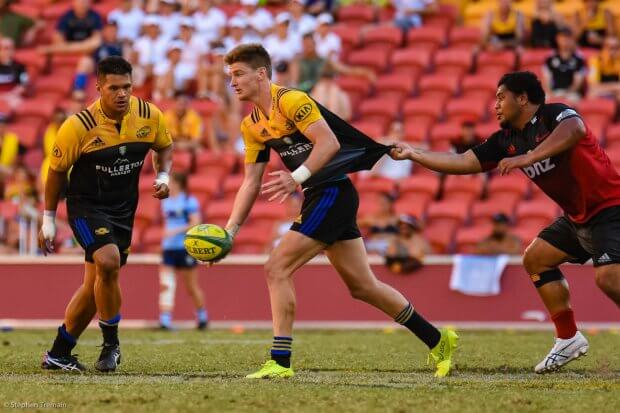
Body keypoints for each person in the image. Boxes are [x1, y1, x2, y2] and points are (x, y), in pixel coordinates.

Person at [217, 44, 457, 379]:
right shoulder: (252, 125)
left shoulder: (291, 100)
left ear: (261, 74)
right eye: (230, 76)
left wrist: (296, 177)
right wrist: (230, 230)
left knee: (276, 268)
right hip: (322, 194)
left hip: (332, 192)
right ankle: (438, 339)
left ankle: (280, 362)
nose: (233, 82)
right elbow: (251, 182)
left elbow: (328, 143)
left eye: (239, 74)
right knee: (363, 286)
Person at [389, 71, 620, 374]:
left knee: (607, 278)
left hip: (610, 207)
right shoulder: (506, 140)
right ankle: (568, 338)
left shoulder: (553, 115)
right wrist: (414, 155)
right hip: (578, 219)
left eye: (501, 97)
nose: (494, 105)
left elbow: (575, 129)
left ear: (522, 98)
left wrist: (529, 157)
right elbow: (463, 162)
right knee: (536, 258)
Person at [38, 56, 173, 373]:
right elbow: (56, 173)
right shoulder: (78, 127)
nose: (122, 94)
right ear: (98, 87)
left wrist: (164, 177)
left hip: (123, 209)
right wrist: (47, 219)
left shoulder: (149, 115)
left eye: (127, 86)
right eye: (114, 88)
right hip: (86, 206)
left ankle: (59, 353)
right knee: (108, 262)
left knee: (95, 284)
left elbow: (164, 148)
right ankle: (111, 345)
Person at [159, 172, 208, 330]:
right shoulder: (165, 201)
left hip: (185, 247)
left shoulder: (189, 201)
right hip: (169, 248)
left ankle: (202, 316)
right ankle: (165, 321)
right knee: (167, 283)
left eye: (170, 182)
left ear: (178, 183)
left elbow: (196, 222)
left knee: (190, 286)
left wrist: (175, 231)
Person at [542, 27, 586, 102]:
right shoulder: (550, 59)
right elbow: (546, 81)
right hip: (554, 92)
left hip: (571, 93)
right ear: (557, 39)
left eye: (567, 38)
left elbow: (577, 83)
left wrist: (565, 94)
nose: (565, 41)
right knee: (544, 100)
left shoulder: (579, 60)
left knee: (573, 100)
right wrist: (551, 94)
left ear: (572, 40)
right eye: (562, 38)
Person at [0, 37, 29, 112]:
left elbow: (23, 85)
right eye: (1, 48)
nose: (3, 51)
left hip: (11, 97)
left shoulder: (19, 67)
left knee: (15, 104)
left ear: (13, 50)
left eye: (7, 48)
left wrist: (9, 95)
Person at [587, 35, 620, 100]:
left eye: (616, 48)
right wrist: (614, 86)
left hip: (615, 92)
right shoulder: (595, 60)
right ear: (603, 48)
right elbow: (593, 85)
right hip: (600, 91)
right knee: (591, 94)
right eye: (609, 47)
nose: (612, 51)